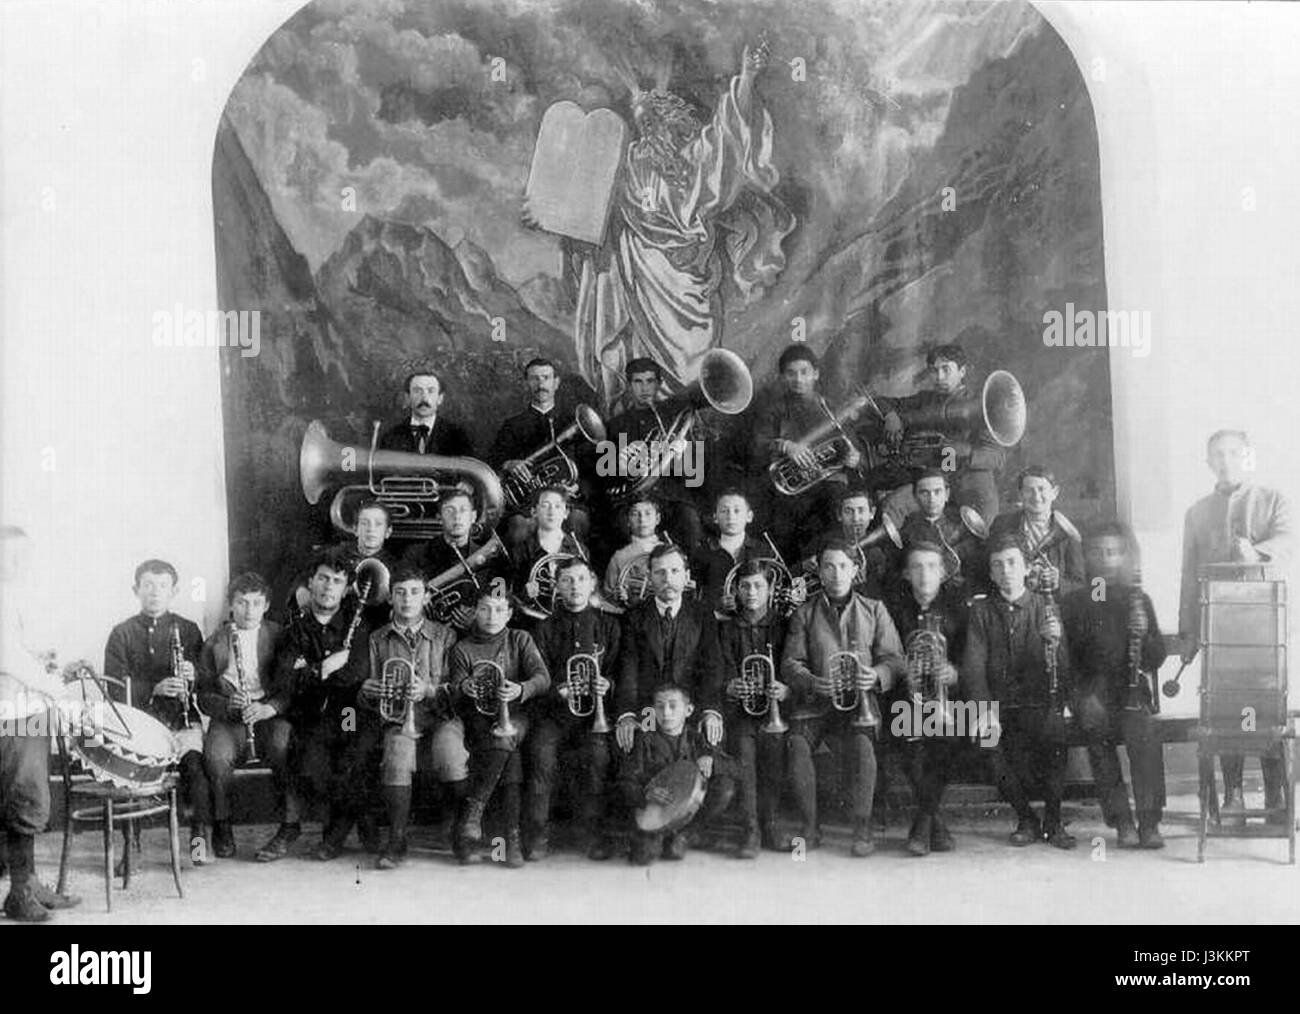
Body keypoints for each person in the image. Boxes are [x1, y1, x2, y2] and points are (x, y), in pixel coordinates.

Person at [1178, 429, 1291, 823]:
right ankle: (1234, 796)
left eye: (1232, 453)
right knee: (1225, 712)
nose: (1225, 460)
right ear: (1208, 462)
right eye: (1217, 455)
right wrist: (1189, 632)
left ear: (1248, 457)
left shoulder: (1273, 500)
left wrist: (1256, 551)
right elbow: (1189, 575)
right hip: (1218, 629)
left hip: (1264, 629)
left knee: (1267, 709)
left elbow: (1290, 541)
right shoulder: (1197, 512)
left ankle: (1276, 798)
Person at [781, 540, 905, 857]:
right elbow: (790, 663)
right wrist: (813, 682)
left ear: (855, 571)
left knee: (864, 748)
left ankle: (862, 826)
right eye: (829, 566)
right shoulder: (804, 613)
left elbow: (895, 659)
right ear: (819, 572)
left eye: (843, 566)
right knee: (797, 746)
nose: (836, 573)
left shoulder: (874, 609)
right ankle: (810, 827)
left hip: (859, 704)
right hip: (815, 703)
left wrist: (876, 675)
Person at [259, 549, 374, 862]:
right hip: (310, 713)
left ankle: (336, 834)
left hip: (349, 712)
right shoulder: (292, 630)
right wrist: (326, 666)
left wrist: (307, 670)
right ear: (310, 582)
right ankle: (349, 822)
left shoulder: (358, 625)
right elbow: (285, 682)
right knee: (312, 765)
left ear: (346, 587)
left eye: (337, 581)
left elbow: (354, 676)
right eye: (322, 578)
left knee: (353, 754)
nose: (328, 586)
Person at [962, 535, 1075, 849]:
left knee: (1055, 736)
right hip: (998, 706)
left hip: (1039, 703)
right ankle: (1026, 818)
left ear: (1026, 569)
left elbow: (1063, 669)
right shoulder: (981, 611)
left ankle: (1053, 819)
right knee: (987, 743)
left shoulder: (1045, 605)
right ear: (991, 572)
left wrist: (1055, 642)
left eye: (1012, 562)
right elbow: (973, 667)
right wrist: (984, 711)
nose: (1006, 570)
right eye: (998, 565)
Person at [1064, 522, 1168, 848]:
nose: (1105, 559)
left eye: (1113, 551)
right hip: (1092, 691)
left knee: (1145, 734)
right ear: (1086, 557)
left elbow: (1154, 659)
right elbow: (1067, 662)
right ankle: (1122, 821)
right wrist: (1081, 697)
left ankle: (1149, 822)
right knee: (1096, 733)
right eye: (1096, 552)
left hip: (1132, 690)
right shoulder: (1074, 602)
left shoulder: (1139, 598)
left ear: (1123, 555)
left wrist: (1147, 631)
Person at [356, 563, 465, 869]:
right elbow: (361, 696)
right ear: (390, 598)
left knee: (452, 757)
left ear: (426, 597)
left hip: (441, 716)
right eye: (400, 593)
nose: (407, 599)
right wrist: (368, 690)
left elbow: (459, 688)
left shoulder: (446, 636)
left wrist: (429, 690)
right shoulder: (377, 638)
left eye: (415, 592)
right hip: (398, 719)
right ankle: (397, 839)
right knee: (397, 758)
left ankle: (458, 833)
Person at [103, 559, 211, 860]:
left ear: (174, 591)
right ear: (136, 590)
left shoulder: (189, 630)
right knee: (133, 777)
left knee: (195, 770)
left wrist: (194, 675)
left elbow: (206, 681)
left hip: (181, 720)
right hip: (139, 725)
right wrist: (153, 687)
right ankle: (132, 844)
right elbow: (112, 688)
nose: (155, 592)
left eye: (162, 586)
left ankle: (199, 842)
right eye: (148, 585)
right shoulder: (121, 633)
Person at [0, 526, 81, 921]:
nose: (16, 563)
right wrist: (52, 686)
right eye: (7, 555)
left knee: (30, 794)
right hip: (8, 715)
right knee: (21, 796)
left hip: (26, 710)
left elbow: (19, 649)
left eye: (21, 555)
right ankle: (18, 893)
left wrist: (41, 658)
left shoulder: (15, 594)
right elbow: (7, 657)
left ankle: (29, 883)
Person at [528, 558, 621, 860]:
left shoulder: (609, 624)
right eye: (567, 580)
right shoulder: (543, 627)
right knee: (541, 757)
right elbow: (538, 677)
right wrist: (558, 690)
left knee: (598, 759)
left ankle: (591, 834)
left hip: (596, 717)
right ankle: (538, 834)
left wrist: (608, 684)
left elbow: (618, 671)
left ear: (593, 582)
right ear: (556, 586)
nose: (575, 586)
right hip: (555, 716)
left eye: (581, 579)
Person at [451, 586, 550, 867]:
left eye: (498, 609)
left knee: (506, 739)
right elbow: (457, 688)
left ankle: (473, 811)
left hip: (517, 715)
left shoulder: (520, 638)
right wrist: (465, 686)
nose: (491, 615)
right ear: (474, 612)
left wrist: (520, 689)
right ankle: (511, 839)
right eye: (484, 609)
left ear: (508, 614)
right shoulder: (462, 648)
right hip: (480, 720)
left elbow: (543, 679)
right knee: (510, 755)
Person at [197, 572, 293, 860]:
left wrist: (269, 707)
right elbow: (202, 695)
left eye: (255, 603)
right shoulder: (214, 641)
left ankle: (289, 825)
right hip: (230, 716)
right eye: (241, 603)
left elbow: (292, 687)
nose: (249, 610)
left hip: (268, 712)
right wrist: (228, 705)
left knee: (283, 747)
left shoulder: (280, 636)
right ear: (231, 606)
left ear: (266, 606)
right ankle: (223, 824)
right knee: (216, 756)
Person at [884, 541, 965, 856]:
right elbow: (884, 651)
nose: (924, 574)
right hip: (906, 699)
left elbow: (970, 657)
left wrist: (954, 672)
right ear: (906, 573)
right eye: (916, 567)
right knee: (913, 746)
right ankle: (934, 823)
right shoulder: (893, 608)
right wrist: (902, 666)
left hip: (950, 701)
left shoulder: (960, 608)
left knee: (945, 742)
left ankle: (923, 822)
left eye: (932, 566)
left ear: (943, 572)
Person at [878, 342, 1013, 521]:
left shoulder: (982, 403)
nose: (939, 377)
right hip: (932, 477)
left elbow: (997, 458)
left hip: (967, 477)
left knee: (985, 516)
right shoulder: (925, 398)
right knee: (893, 507)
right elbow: (880, 401)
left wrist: (967, 452)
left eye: (946, 369)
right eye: (934, 371)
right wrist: (890, 416)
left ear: (962, 372)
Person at [614, 543, 723, 757]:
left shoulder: (703, 615)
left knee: (710, 761)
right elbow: (628, 670)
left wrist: (711, 711)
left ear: (686, 576)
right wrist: (627, 714)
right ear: (650, 576)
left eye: (675, 571)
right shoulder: (634, 617)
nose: (668, 579)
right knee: (638, 756)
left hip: (692, 710)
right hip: (649, 711)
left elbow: (713, 667)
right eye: (660, 572)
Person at [755, 345, 862, 560]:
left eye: (804, 372)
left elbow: (851, 445)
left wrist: (855, 458)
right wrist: (785, 445)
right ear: (782, 377)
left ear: (816, 373)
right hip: (791, 488)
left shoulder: (831, 408)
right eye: (791, 373)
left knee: (837, 512)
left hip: (831, 484)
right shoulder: (773, 409)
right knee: (784, 526)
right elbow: (757, 445)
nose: (798, 379)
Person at [618, 684, 741, 865]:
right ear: (653, 710)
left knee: (725, 787)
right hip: (657, 810)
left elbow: (737, 768)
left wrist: (712, 761)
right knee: (642, 857)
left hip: (687, 815)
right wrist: (645, 793)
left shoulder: (696, 739)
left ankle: (687, 835)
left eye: (673, 706)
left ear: (689, 710)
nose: (666, 713)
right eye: (660, 706)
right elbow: (625, 779)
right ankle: (659, 838)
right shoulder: (644, 740)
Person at [718, 560, 789, 855]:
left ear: (770, 588)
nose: (751, 592)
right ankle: (751, 829)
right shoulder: (726, 628)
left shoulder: (784, 624)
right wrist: (730, 686)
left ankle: (770, 822)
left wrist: (785, 689)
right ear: (735, 590)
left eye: (758, 585)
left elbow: (796, 663)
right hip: (741, 713)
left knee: (774, 753)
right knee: (745, 756)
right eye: (745, 586)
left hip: (777, 714)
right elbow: (720, 668)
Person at [488, 357, 595, 545]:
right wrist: (509, 464)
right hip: (528, 504)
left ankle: (575, 571)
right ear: (527, 383)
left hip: (567, 501)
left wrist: (578, 487)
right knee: (518, 526)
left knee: (578, 520)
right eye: (534, 379)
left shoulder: (574, 423)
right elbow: (493, 462)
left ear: (556, 383)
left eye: (546, 378)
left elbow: (590, 470)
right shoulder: (512, 425)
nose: (541, 384)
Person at [603, 357, 705, 551]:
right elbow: (605, 476)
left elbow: (695, 476)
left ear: (659, 384)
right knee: (618, 528)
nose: (645, 388)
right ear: (629, 385)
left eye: (650, 381)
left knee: (689, 522)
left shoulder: (676, 417)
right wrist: (619, 466)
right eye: (638, 382)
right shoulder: (615, 425)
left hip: (672, 499)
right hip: (633, 501)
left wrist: (682, 457)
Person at [405, 488, 505, 633]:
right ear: (439, 518)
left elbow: (499, 599)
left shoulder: (493, 560)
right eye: (449, 510)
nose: (457, 516)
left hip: (473, 640)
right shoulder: (416, 554)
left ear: (473, 517)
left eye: (463, 510)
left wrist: (478, 619)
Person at [987, 466, 1085, 598]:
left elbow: (1079, 583)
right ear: (1020, 494)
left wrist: (1059, 583)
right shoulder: (1002, 524)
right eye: (1029, 490)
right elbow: (987, 570)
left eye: (1041, 489)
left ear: (1055, 493)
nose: (1036, 496)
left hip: (1053, 607)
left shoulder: (1070, 532)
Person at [507, 485, 590, 629]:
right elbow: (507, 589)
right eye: (545, 506)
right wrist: (525, 593)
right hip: (531, 622)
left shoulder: (579, 550)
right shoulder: (520, 551)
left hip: (570, 621)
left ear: (566, 513)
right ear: (534, 512)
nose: (551, 511)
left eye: (558, 506)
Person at [897, 468, 986, 592]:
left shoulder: (962, 527)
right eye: (924, 493)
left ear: (947, 494)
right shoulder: (907, 530)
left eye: (937, 492)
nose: (932, 499)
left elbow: (977, 573)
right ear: (915, 497)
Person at [688, 488, 768, 615]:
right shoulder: (703, 552)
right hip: (714, 622)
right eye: (724, 511)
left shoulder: (762, 551)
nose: (731, 516)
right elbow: (696, 593)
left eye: (737, 511)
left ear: (749, 516)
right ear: (715, 517)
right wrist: (716, 604)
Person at [377, 370, 475, 457]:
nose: (424, 398)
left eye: (431, 391)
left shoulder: (457, 437)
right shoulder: (391, 437)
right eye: (417, 391)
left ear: (440, 398)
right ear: (407, 397)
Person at [603, 495, 666, 607]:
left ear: (657, 519)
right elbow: (609, 597)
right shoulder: (619, 557)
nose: (642, 519)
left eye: (648, 513)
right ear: (627, 521)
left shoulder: (669, 552)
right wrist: (617, 596)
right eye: (635, 514)